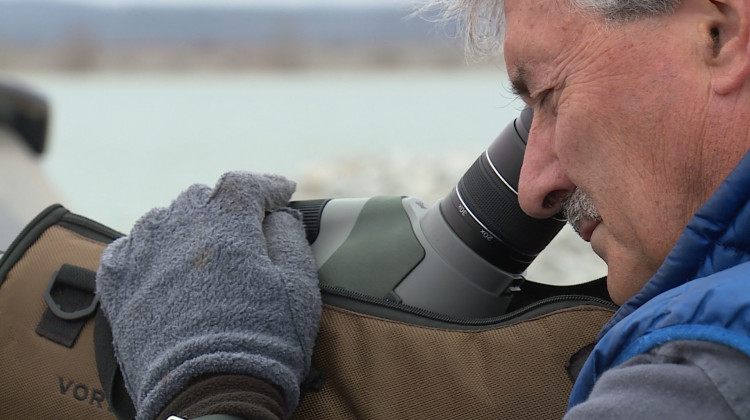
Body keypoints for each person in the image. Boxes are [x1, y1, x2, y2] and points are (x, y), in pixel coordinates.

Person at [95, 0, 750, 418]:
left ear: (720, 34)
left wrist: (211, 396)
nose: (533, 190)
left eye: (550, 95)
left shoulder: (705, 377)